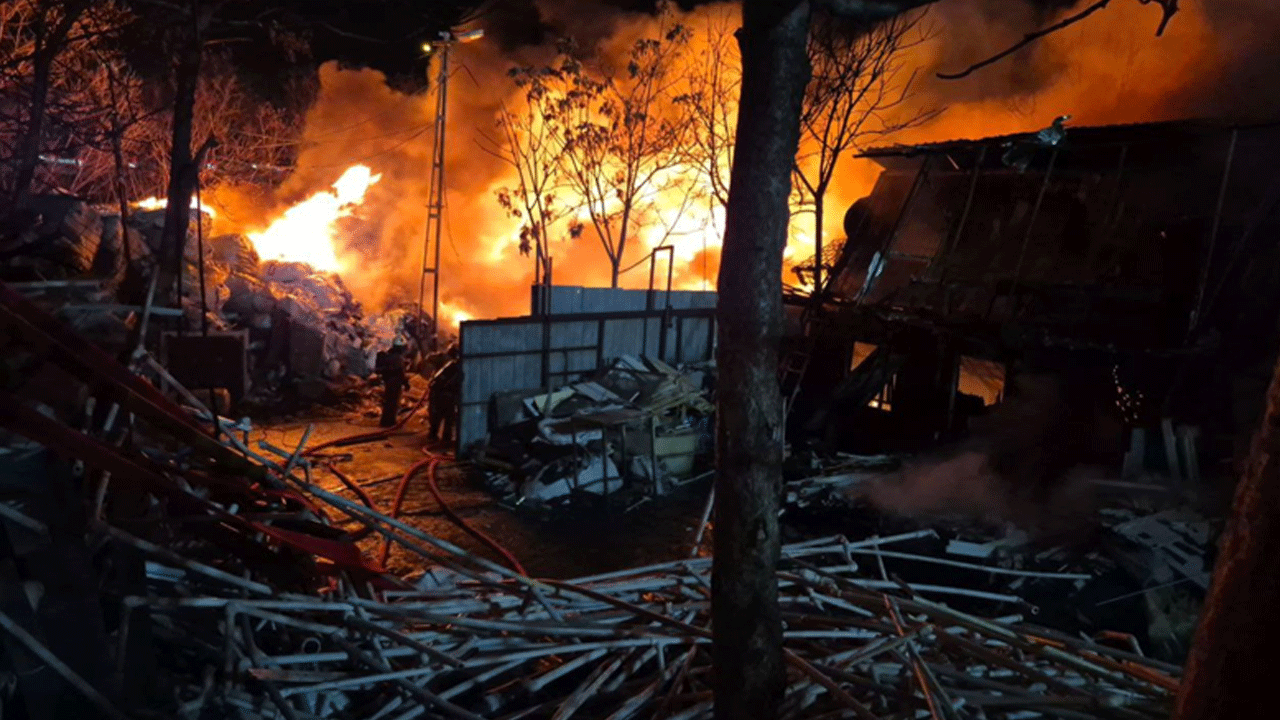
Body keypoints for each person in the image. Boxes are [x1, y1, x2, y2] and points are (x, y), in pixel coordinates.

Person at [428, 344, 461, 443]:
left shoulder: (450, 364)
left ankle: (433, 435)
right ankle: (446, 439)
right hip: (447, 394)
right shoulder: (457, 366)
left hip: (438, 392)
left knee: (437, 415)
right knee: (449, 418)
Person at [375, 334, 408, 428]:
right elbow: (400, 372)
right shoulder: (398, 358)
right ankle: (390, 422)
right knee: (393, 402)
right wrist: (406, 383)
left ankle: (385, 421)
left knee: (388, 402)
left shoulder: (389, 355)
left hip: (388, 382)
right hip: (395, 382)